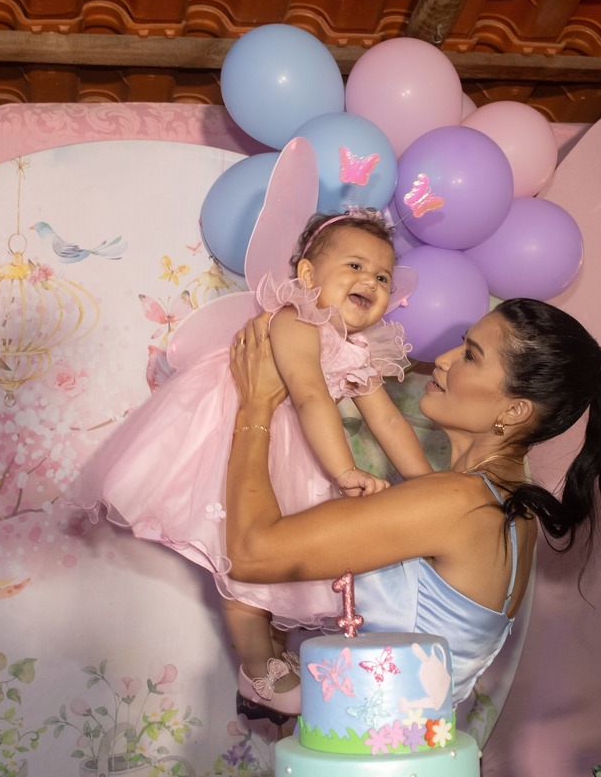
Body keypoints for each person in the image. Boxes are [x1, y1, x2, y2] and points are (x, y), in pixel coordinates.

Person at [223, 298, 601, 711]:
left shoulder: (459, 502)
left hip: (370, 758)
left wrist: (256, 408)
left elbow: (249, 554)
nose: (442, 359)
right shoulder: (507, 509)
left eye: (470, 356)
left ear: (514, 411)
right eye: (462, 343)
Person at [69, 209, 432, 718]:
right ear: (307, 275)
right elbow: (308, 394)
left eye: (382, 277)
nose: (370, 282)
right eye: (354, 266)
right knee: (244, 568)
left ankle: (275, 659)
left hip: (296, 448)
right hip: (237, 439)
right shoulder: (296, 319)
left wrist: (429, 486)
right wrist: (343, 472)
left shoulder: (357, 348)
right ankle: (258, 668)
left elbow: (388, 421)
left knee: (285, 563)